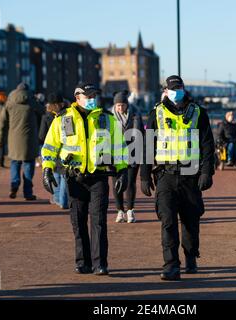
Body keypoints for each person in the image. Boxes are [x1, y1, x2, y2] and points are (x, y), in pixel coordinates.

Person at [41, 83, 128, 276]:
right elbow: (49, 147)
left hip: (99, 177)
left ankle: (100, 264)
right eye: (87, 96)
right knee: (78, 221)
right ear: (77, 97)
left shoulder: (107, 119)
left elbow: (120, 147)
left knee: (98, 221)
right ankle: (83, 261)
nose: (92, 99)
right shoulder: (62, 119)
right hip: (75, 178)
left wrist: (123, 171)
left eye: (94, 96)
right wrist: (46, 170)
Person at [140, 75, 215, 281]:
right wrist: (144, 176)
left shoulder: (199, 112)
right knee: (167, 222)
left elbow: (208, 146)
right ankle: (171, 265)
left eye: (178, 87)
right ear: (166, 90)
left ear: (183, 88)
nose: (175, 91)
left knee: (191, 221)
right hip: (165, 174)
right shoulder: (156, 112)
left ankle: (191, 257)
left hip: (191, 175)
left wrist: (207, 172)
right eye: (172, 88)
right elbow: (147, 146)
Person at [0, 83, 44, 201]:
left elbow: (2, 123)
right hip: (30, 139)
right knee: (28, 164)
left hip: (13, 139)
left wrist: (0, 141)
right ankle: (28, 193)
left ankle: (14, 184)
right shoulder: (32, 102)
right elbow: (43, 112)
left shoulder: (9, 103)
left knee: (15, 162)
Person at [111, 90, 145, 224]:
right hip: (115, 155)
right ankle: (120, 211)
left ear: (127, 105)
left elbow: (140, 132)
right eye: (117, 105)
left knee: (130, 182)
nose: (120, 108)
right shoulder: (109, 116)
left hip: (132, 153)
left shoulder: (135, 114)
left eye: (122, 105)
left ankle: (130, 210)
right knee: (116, 184)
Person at [38, 92, 69, 210]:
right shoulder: (68, 116)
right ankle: (63, 201)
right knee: (63, 178)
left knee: (55, 176)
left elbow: (41, 136)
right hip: (65, 151)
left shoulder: (46, 117)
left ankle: (58, 199)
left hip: (52, 150)